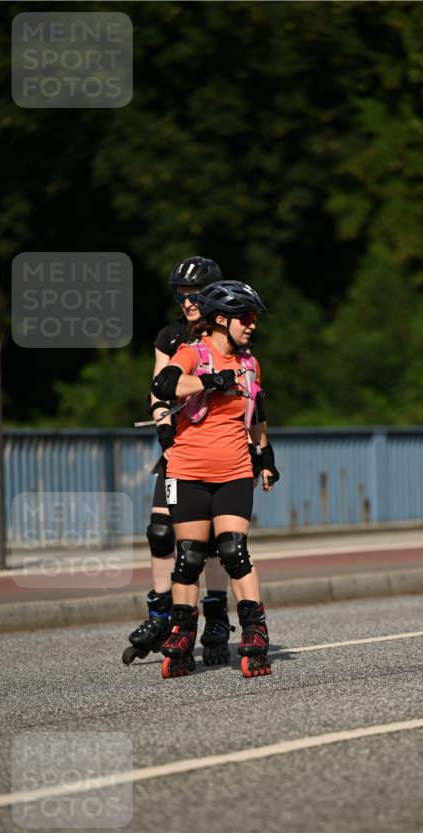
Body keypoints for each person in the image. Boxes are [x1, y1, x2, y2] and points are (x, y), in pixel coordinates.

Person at [151, 279, 279, 680]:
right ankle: (183, 634)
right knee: (188, 556)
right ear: (221, 320)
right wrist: (212, 381)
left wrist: (266, 458)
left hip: (235, 471)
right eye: (246, 317)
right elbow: (164, 384)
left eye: (254, 317)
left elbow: (256, 415)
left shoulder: (249, 363)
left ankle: (255, 631)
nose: (251, 325)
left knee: (233, 550)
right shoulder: (194, 353)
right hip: (187, 470)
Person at [123, 256, 239, 666]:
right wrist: (163, 430)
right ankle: (159, 612)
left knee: (208, 543)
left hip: (218, 450)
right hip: (178, 448)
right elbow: (159, 391)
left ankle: (216, 616)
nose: (187, 302)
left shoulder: (224, 335)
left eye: (194, 295)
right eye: (181, 295)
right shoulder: (169, 337)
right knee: (160, 531)